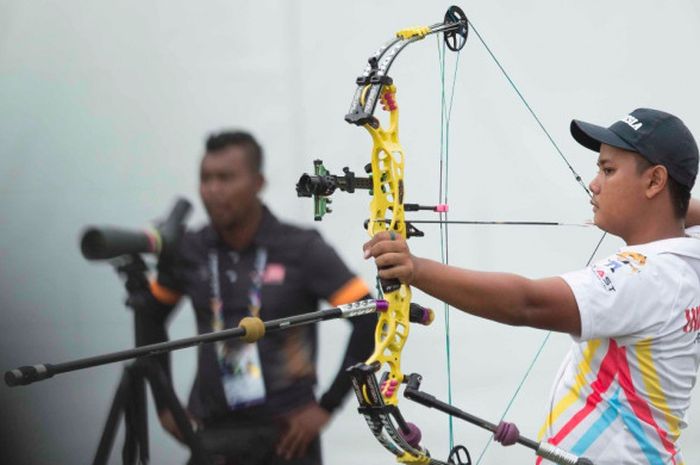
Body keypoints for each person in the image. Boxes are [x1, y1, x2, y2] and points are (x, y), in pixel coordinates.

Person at [363, 108, 700, 464]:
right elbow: (681, 211)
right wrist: (668, 200)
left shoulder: (646, 277)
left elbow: (527, 303)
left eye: (608, 170)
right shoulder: (687, 253)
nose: (594, 183)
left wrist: (415, 269)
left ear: (654, 181)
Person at [143, 130, 375, 465]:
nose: (213, 189)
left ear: (258, 182)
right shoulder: (191, 248)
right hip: (213, 432)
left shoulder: (301, 247)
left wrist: (327, 407)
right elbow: (150, 315)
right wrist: (164, 404)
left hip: (286, 437)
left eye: (225, 178)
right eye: (206, 178)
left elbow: (368, 316)